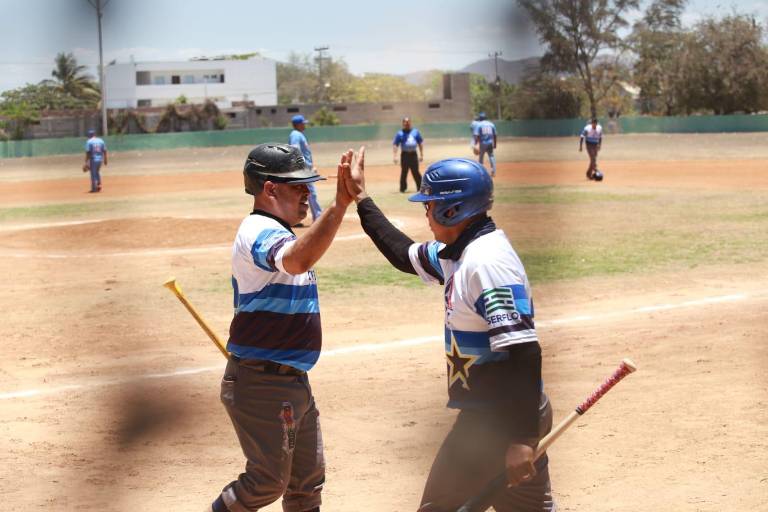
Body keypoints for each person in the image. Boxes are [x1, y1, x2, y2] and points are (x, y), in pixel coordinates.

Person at [342, 153, 556, 511]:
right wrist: (361, 198)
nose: (425, 213)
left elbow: (524, 351)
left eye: (430, 205)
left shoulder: (486, 263)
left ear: (452, 211)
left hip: (498, 420)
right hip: (503, 413)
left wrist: (521, 437)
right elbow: (401, 253)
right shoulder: (457, 253)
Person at [207, 143, 358, 512]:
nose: (307, 193)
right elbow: (297, 260)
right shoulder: (258, 229)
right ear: (270, 189)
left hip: (292, 381)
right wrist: (339, 206)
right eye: (297, 186)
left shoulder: (283, 232)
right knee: (267, 481)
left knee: (306, 485)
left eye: (307, 185)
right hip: (262, 383)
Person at [288, 115, 323, 223]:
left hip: (304, 168)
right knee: (310, 193)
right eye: (303, 123)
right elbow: (295, 150)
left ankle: (293, 218)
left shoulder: (298, 134)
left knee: (301, 193)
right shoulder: (296, 135)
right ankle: (318, 218)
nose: (305, 125)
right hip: (302, 169)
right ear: (298, 124)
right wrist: (304, 167)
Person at [392, 117, 424, 193]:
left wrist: (421, 154)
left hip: (413, 155)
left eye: (408, 122)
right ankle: (402, 189)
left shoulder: (415, 132)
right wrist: (395, 156)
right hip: (405, 155)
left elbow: (420, 142)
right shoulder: (400, 133)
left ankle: (420, 188)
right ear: (403, 123)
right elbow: (395, 144)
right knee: (404, 172)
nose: (407, 124)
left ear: (410, 123)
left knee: (415, 172)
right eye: (405, 122)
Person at [473, 112, 497, 177]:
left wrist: (476, 144)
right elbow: (495, 135)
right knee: (491, 156)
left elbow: (476, 136)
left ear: (480, 118)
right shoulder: (491, 124)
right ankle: (493, 171)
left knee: (481, 157)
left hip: (483, 143)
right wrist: (495, 144)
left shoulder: (479, 124)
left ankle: (481, 173)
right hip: (490, 143)